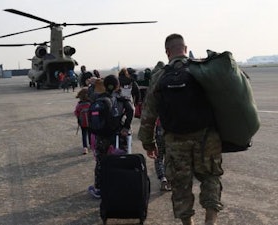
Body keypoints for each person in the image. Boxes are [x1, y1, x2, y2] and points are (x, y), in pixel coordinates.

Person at [138, 33, 223, 225]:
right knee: (210, 177)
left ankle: (188, 223)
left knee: (180, 184)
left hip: (175, 140)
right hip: (206, 137)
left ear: (167, 52)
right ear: (185, 49)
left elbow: (148, 113)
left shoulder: (160, 76)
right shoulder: (201, 69)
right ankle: (210, 220)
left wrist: (148, 142)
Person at [88, 75, 134, 199]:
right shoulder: (122, 98)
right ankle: (122, 186)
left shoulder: (98, 98)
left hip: (102, 135)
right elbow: (131, 110)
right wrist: (126, 127)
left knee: (101, 161)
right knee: (122, 159)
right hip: (119, 135)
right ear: (117, 85)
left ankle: (99, 188)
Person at [154, 118, 171, 192]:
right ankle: (169, 181)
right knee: (170, 156)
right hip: (172, 129)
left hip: (159, 127)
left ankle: (163, 178)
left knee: (159, 156)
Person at [74, 88, 91, 154]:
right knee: (90, 133)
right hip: (90, 122)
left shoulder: (79, 104)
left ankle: (85, 148)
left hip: (82, 122)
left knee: (84, 134)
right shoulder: (90, 103)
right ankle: (91, 145)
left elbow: (76, 113)